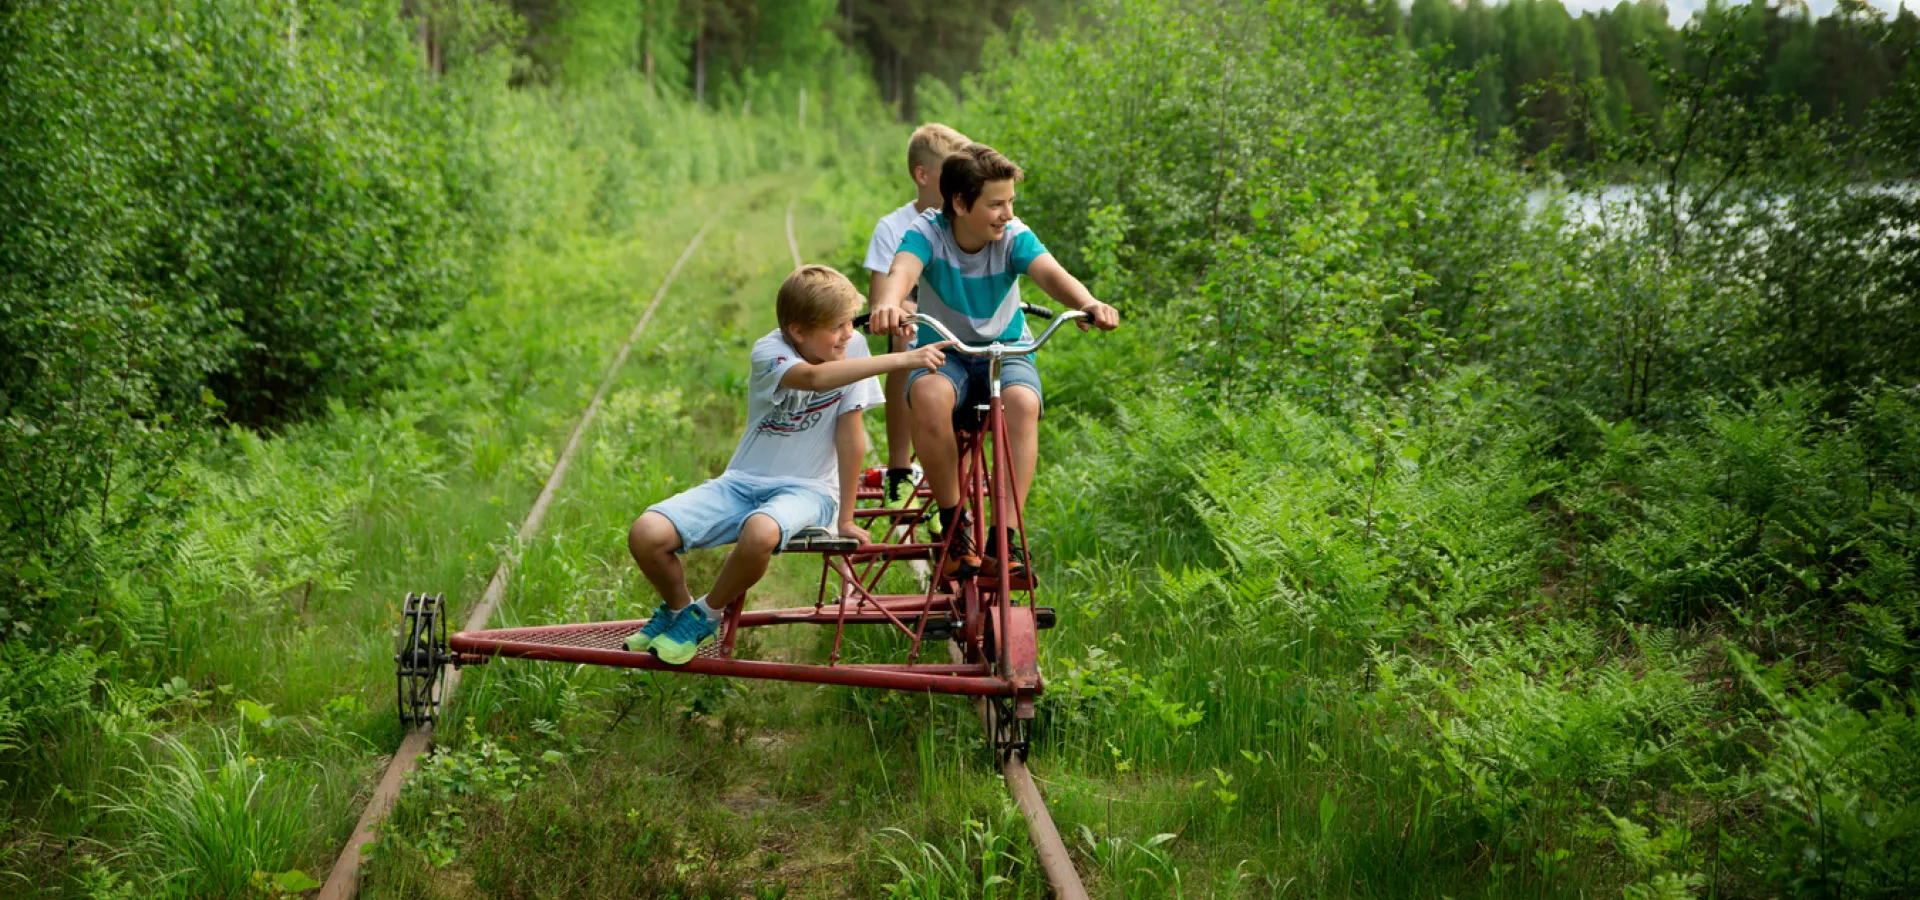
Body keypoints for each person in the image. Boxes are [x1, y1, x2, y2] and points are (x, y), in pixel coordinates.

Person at [625, 265, 951, 664]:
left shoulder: (853, 348)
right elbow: (815, 379)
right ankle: (678, 610)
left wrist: (845, 518)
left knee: (760, 531)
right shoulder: (769, 351)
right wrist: (904, 360)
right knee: (646, 534)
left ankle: (705, 614)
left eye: (851, 323)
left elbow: (850, 436)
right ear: (797, 331)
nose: (849, 334)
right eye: (837, 327)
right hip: (742, 481)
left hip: (810, 490)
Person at [866, 144, 1121, 583]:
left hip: (1006, 352)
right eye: (996, 204)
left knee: (1022, 404)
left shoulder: (1013, 236)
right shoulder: (928, 232)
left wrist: (1088, 302)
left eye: (1010, 203)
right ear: (960, 204)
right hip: (946, 354)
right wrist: (889, 303)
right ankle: (954, 525)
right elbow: (903, 271)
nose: (1006, 213)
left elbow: (1049, 272)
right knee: (926, 394)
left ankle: (1004, 538)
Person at [863, 122, 972, 504]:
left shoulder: (967, 220)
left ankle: (960, 472)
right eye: (952, 174)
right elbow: (882, 299)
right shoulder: (893, 228)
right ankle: (899, 468)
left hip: (961, 330)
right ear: (922, 176)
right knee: (902, 339)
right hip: (920, 329)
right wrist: (902, 310)